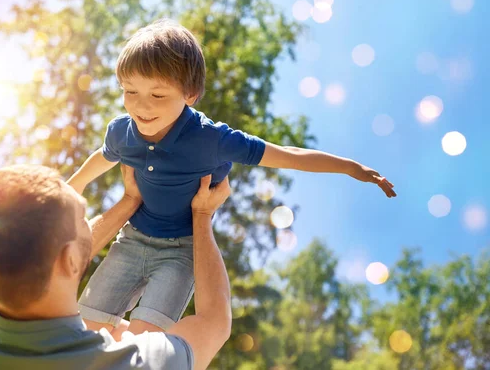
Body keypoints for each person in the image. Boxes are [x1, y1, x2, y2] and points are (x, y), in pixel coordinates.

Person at [68, 19, 397, 336]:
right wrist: (73, 186)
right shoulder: (123, 132)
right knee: (87, 328)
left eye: (157, 95)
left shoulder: (212, 140)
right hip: (132, 239)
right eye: (129, 91)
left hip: (181, 251)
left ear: (190, 94)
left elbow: (287, 154)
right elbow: (103, 157)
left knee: (146, 339)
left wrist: (351, 168)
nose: (141, 106)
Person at [0, 164, 233, 370]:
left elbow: (41, 257)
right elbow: (214, 321)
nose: (89, 222)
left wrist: (129, 201)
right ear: (70, 258)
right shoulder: (130, 363)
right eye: (83, 216)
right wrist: (202, 217)